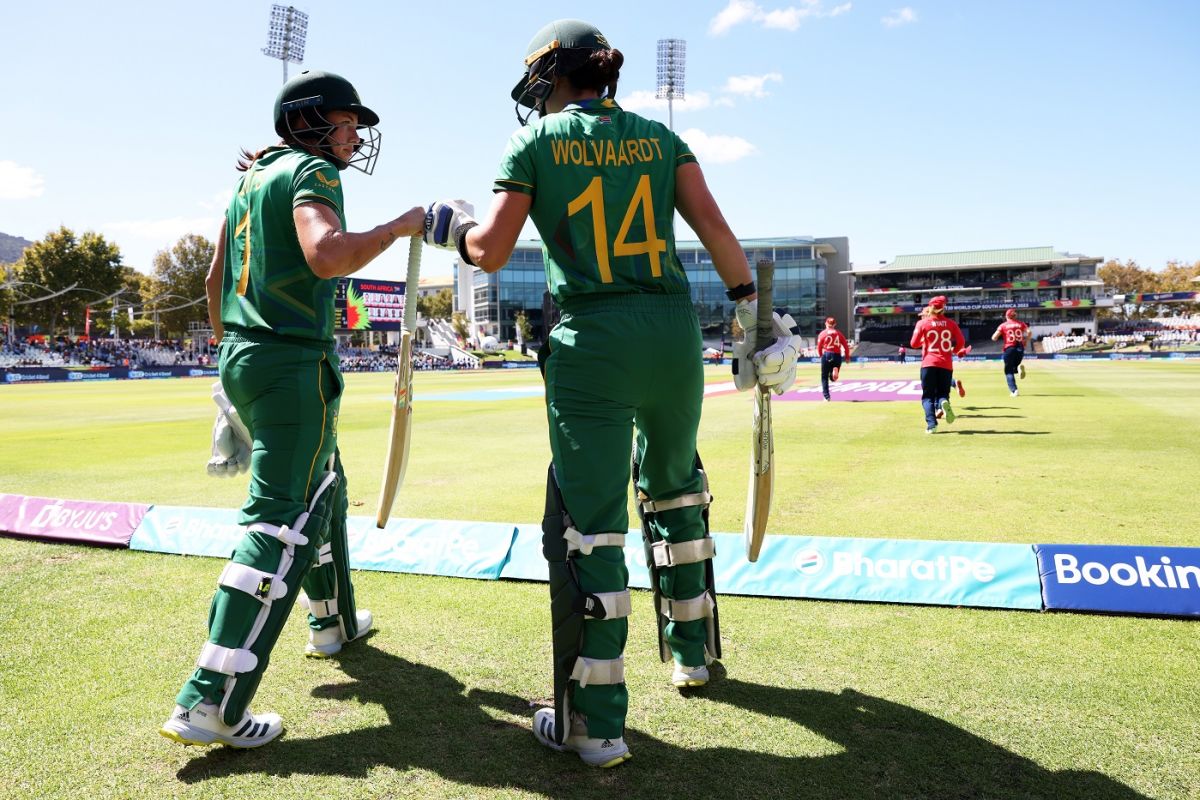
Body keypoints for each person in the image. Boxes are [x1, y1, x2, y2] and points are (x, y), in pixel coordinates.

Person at [423, 19, 800, 768]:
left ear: (554, 75)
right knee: (675, 490)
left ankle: (596, 727)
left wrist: (450, 226)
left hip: (592, 338)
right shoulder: (662, 139)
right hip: (671, 334)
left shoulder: (534, 142)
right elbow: (718, 231)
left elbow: (491, 252)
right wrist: (755, 322)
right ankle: (693, 656)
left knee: (590, 526)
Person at [159, 70, 426, 749]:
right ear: (308, 121)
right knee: (282, 519)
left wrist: (241, 350)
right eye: (347, 120)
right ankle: (209, 701)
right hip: (290, 363)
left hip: (246, 357)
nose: (357, 134)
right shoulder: (313, 172)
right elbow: (328, 254)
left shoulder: (249, 180)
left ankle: (332, 622)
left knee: (324, 487)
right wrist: (399, 226)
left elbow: (216, 279)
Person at [910, 296, 966, 434]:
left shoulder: (923, 323)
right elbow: (961, 342)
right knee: (943, 394)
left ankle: (932, 425)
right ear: (943, 308)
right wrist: (953, 350)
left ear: (930, 308)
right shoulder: (951, 323)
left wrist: (924, 340)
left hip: (929, 363)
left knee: (927, 397)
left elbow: (914, 344)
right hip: (946, 364)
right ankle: (942, 404)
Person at [992, 308, 1031, 396]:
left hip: (1009, 348)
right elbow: (1029, 332)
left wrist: (1000, 336)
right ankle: (1017, 368)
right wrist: (1026, 340)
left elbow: (994, 337)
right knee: (1013, 367)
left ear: (1007, 316)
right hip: (1020, 348)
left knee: (1008, 371)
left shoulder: (1003, 325)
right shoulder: (1021, 324)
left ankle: (1014, 390)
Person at [815, 316, 850, 401]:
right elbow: (845, 346)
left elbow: (819, 347)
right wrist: (847, 357)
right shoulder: (839, 333)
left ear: (826, 324)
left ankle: (827, 397)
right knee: (833, 378)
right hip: (837, 355)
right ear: (834, 324)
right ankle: (834, 371)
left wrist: (820, 355)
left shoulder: (823, 333)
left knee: (824, 377)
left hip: (827, 354)